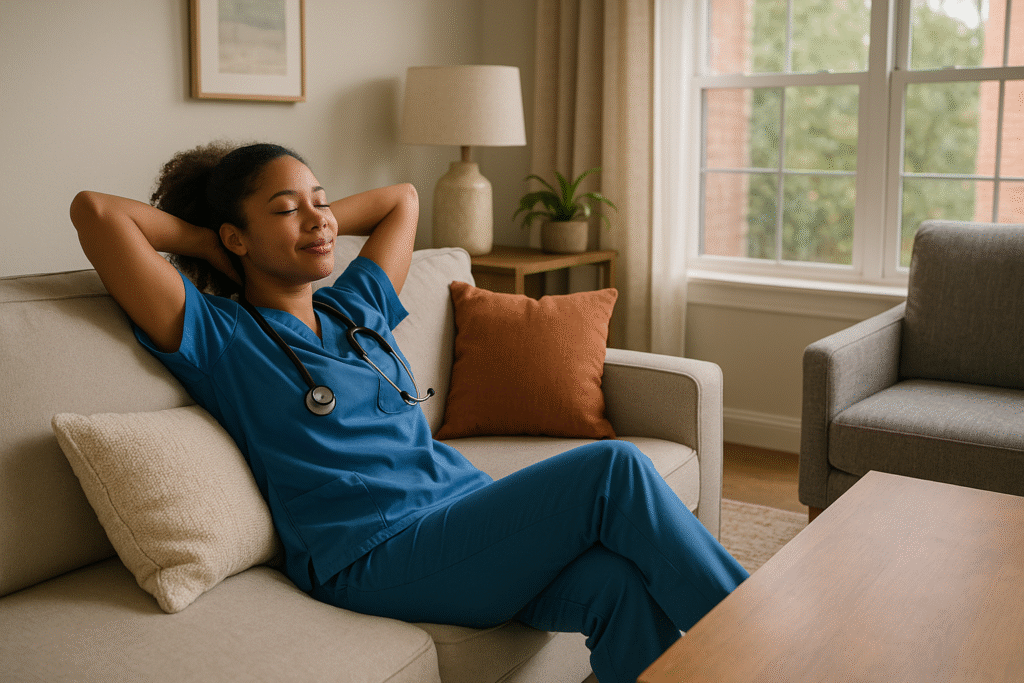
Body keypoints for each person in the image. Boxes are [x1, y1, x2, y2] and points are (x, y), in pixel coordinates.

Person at [70, 142, 748, 683]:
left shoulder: (356, 307)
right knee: (613, 467)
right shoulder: (222, 336)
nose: (319, 220)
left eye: (323, 202)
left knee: (618, 585)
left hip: (460, 516)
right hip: (373, 553)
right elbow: (97, 214)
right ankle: (774, 649)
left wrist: (291, 213)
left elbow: (402, 200)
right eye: (286, 209)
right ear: (235, 238)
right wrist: (207, 241)